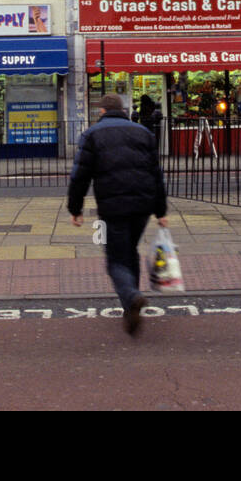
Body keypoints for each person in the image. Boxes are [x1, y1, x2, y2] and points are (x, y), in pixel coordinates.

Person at [68, 93, 168, 335]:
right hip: (142, 205)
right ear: (123, 110)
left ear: (102, 112)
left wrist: (76, 209)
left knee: (115, 259)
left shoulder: (92, 135)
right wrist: (161, 210)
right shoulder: (143, 133)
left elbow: (80, 176)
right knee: (130, 250)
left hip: (113, 206)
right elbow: (156, 173)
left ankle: (131, 296)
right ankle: (130, 306)